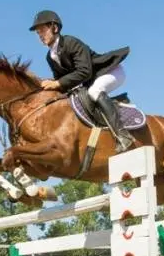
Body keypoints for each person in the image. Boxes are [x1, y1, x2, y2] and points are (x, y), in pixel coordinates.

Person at [29, 9, 135, 153]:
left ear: (54, 27)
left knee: (94, 91)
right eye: (38, 33)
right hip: (91, 79)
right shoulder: (50, 56)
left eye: (42, 30)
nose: (40, 35)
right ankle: (116, 105)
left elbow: (84, 71)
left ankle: (123, 135)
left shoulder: (71, 42)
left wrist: (57, 83)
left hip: (110, 72)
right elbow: (62, 81)